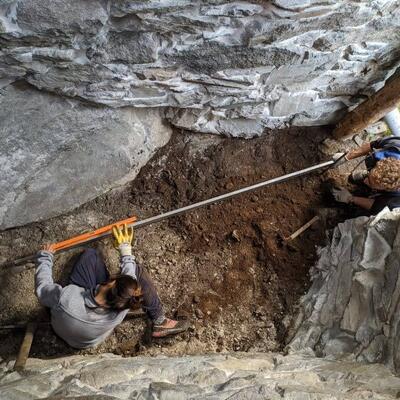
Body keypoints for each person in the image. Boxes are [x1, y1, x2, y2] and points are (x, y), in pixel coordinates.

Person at [35, 224, 189, 349]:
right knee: (137, 271)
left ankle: (160, 322)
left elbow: (42, 287)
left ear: (108, 283)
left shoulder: (67, 298)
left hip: (63, 327)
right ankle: (159, 320)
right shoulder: (120, 309)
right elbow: (132, 281)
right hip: (88, 341)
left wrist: (45, 257)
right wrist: (125, 251)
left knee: (90, 255)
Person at [332, 136, 400, 214]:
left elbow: (378, 207)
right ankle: (369, 176)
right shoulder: (396, 145)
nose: (365, 181)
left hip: (391, 197)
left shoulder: (397, 199)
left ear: (388, 189)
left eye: (370, 183)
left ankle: (374, 189)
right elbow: (373, 144)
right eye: (369, 178)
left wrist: (350, 198)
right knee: (357, 176)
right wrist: (347, 157)